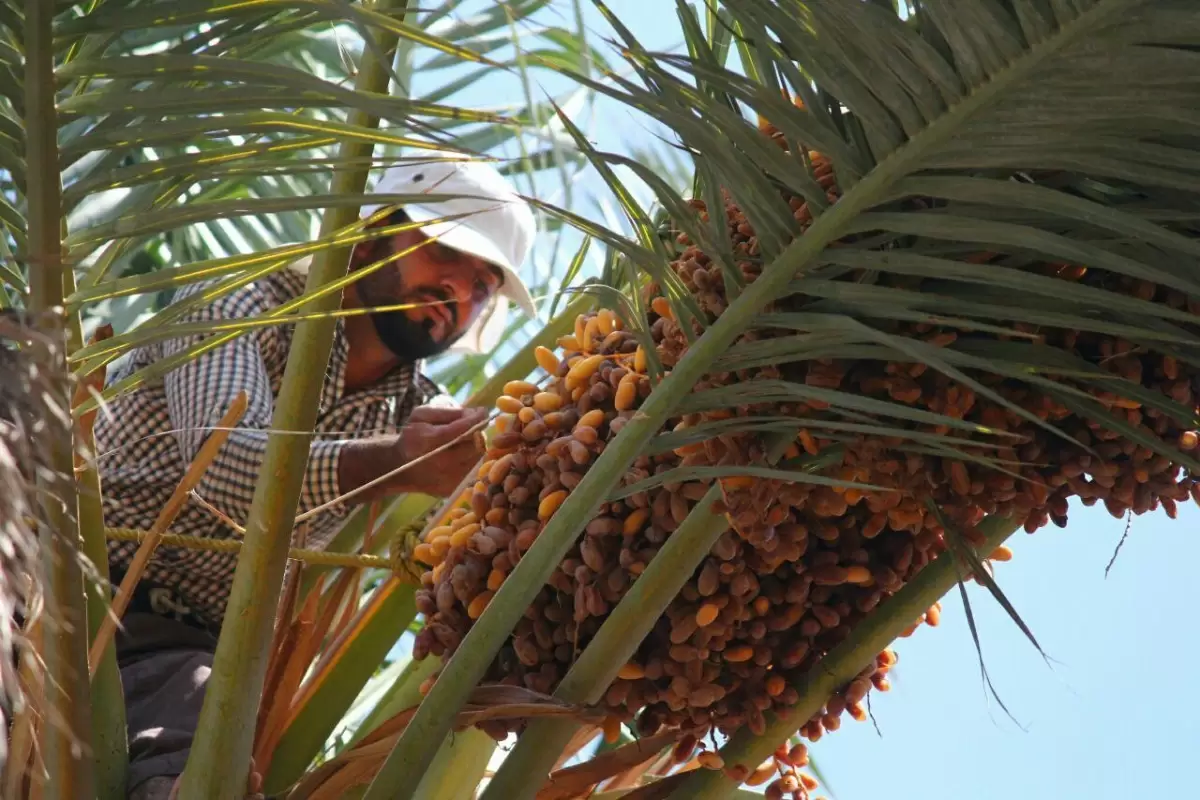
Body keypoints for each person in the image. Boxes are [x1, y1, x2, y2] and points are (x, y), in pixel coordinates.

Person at [91, 152, 538, 799]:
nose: (459, 292)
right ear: (367, 234)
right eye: (446, 252)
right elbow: (226, 471)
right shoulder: (242, 302)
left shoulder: (419, 415)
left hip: (176, 657)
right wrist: (393, 462)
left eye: (484, 285)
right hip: (53, 584)